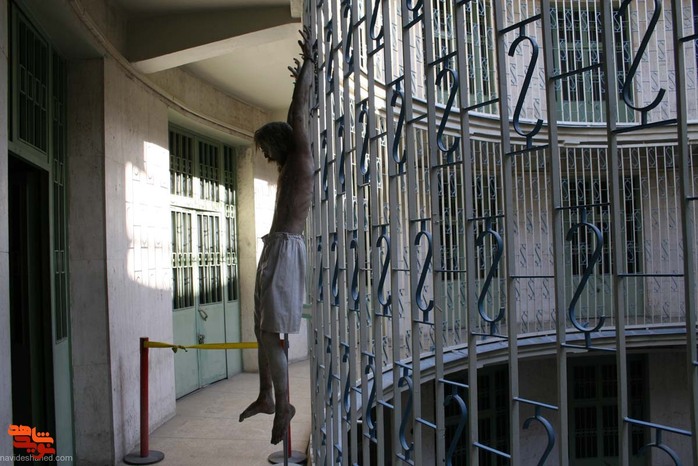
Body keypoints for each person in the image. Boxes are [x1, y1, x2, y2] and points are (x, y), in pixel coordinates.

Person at [238, 27, 314, 446]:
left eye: (266, 148)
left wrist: (308, 67)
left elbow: (297, 114)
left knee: (272, 333)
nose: (266, 156)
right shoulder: (287, 165)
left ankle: (283, 404)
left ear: (279, 142)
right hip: (274, 246)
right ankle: (266, 395)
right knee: (260, 325)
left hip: (286, 248)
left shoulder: (301, 158)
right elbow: (291, 115)